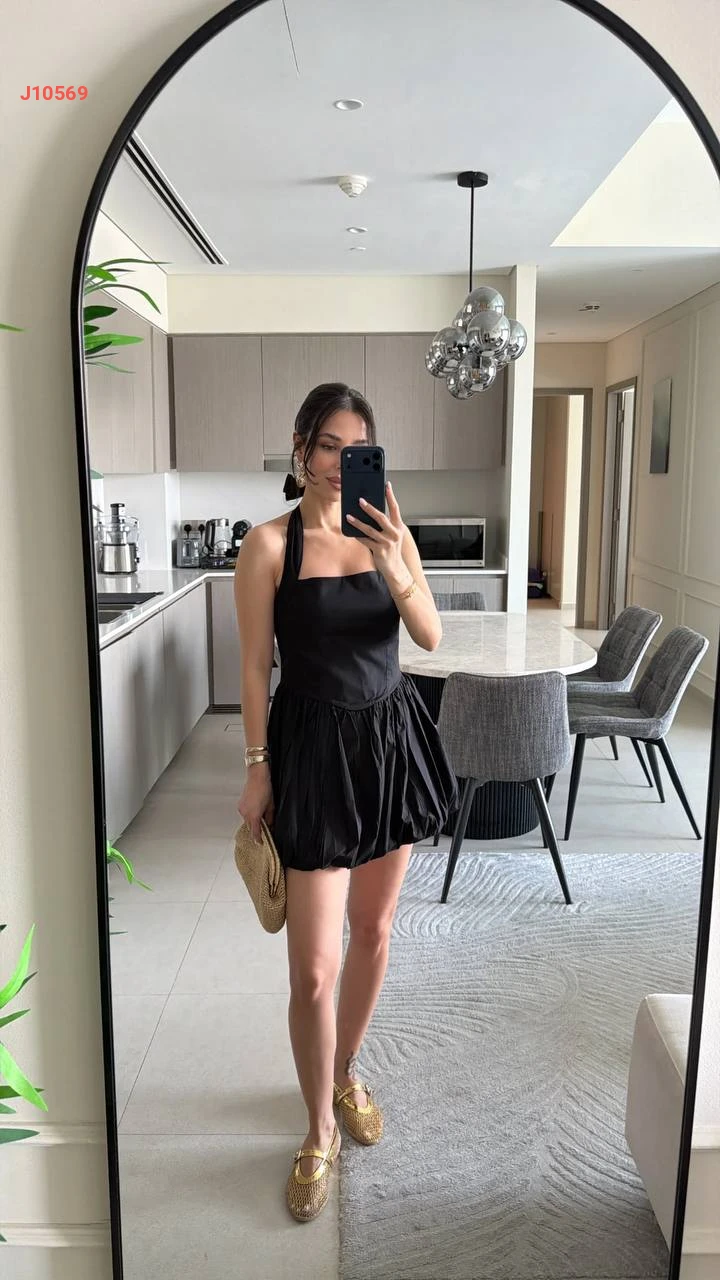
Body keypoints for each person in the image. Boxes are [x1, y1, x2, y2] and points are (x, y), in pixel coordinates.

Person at [234, 382, 459, 1223]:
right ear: (301, 449)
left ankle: (344, 1072)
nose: (339, 462)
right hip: (312, 754)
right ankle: (318, 1128)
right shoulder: (268, 545)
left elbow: (429, 635)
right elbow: (253, 666)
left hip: (389, 743)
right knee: (313, 968)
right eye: (328, 444)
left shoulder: (389, 531)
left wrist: (398, 565)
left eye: (356, 448)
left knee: (375, 931)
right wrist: (257, 767)